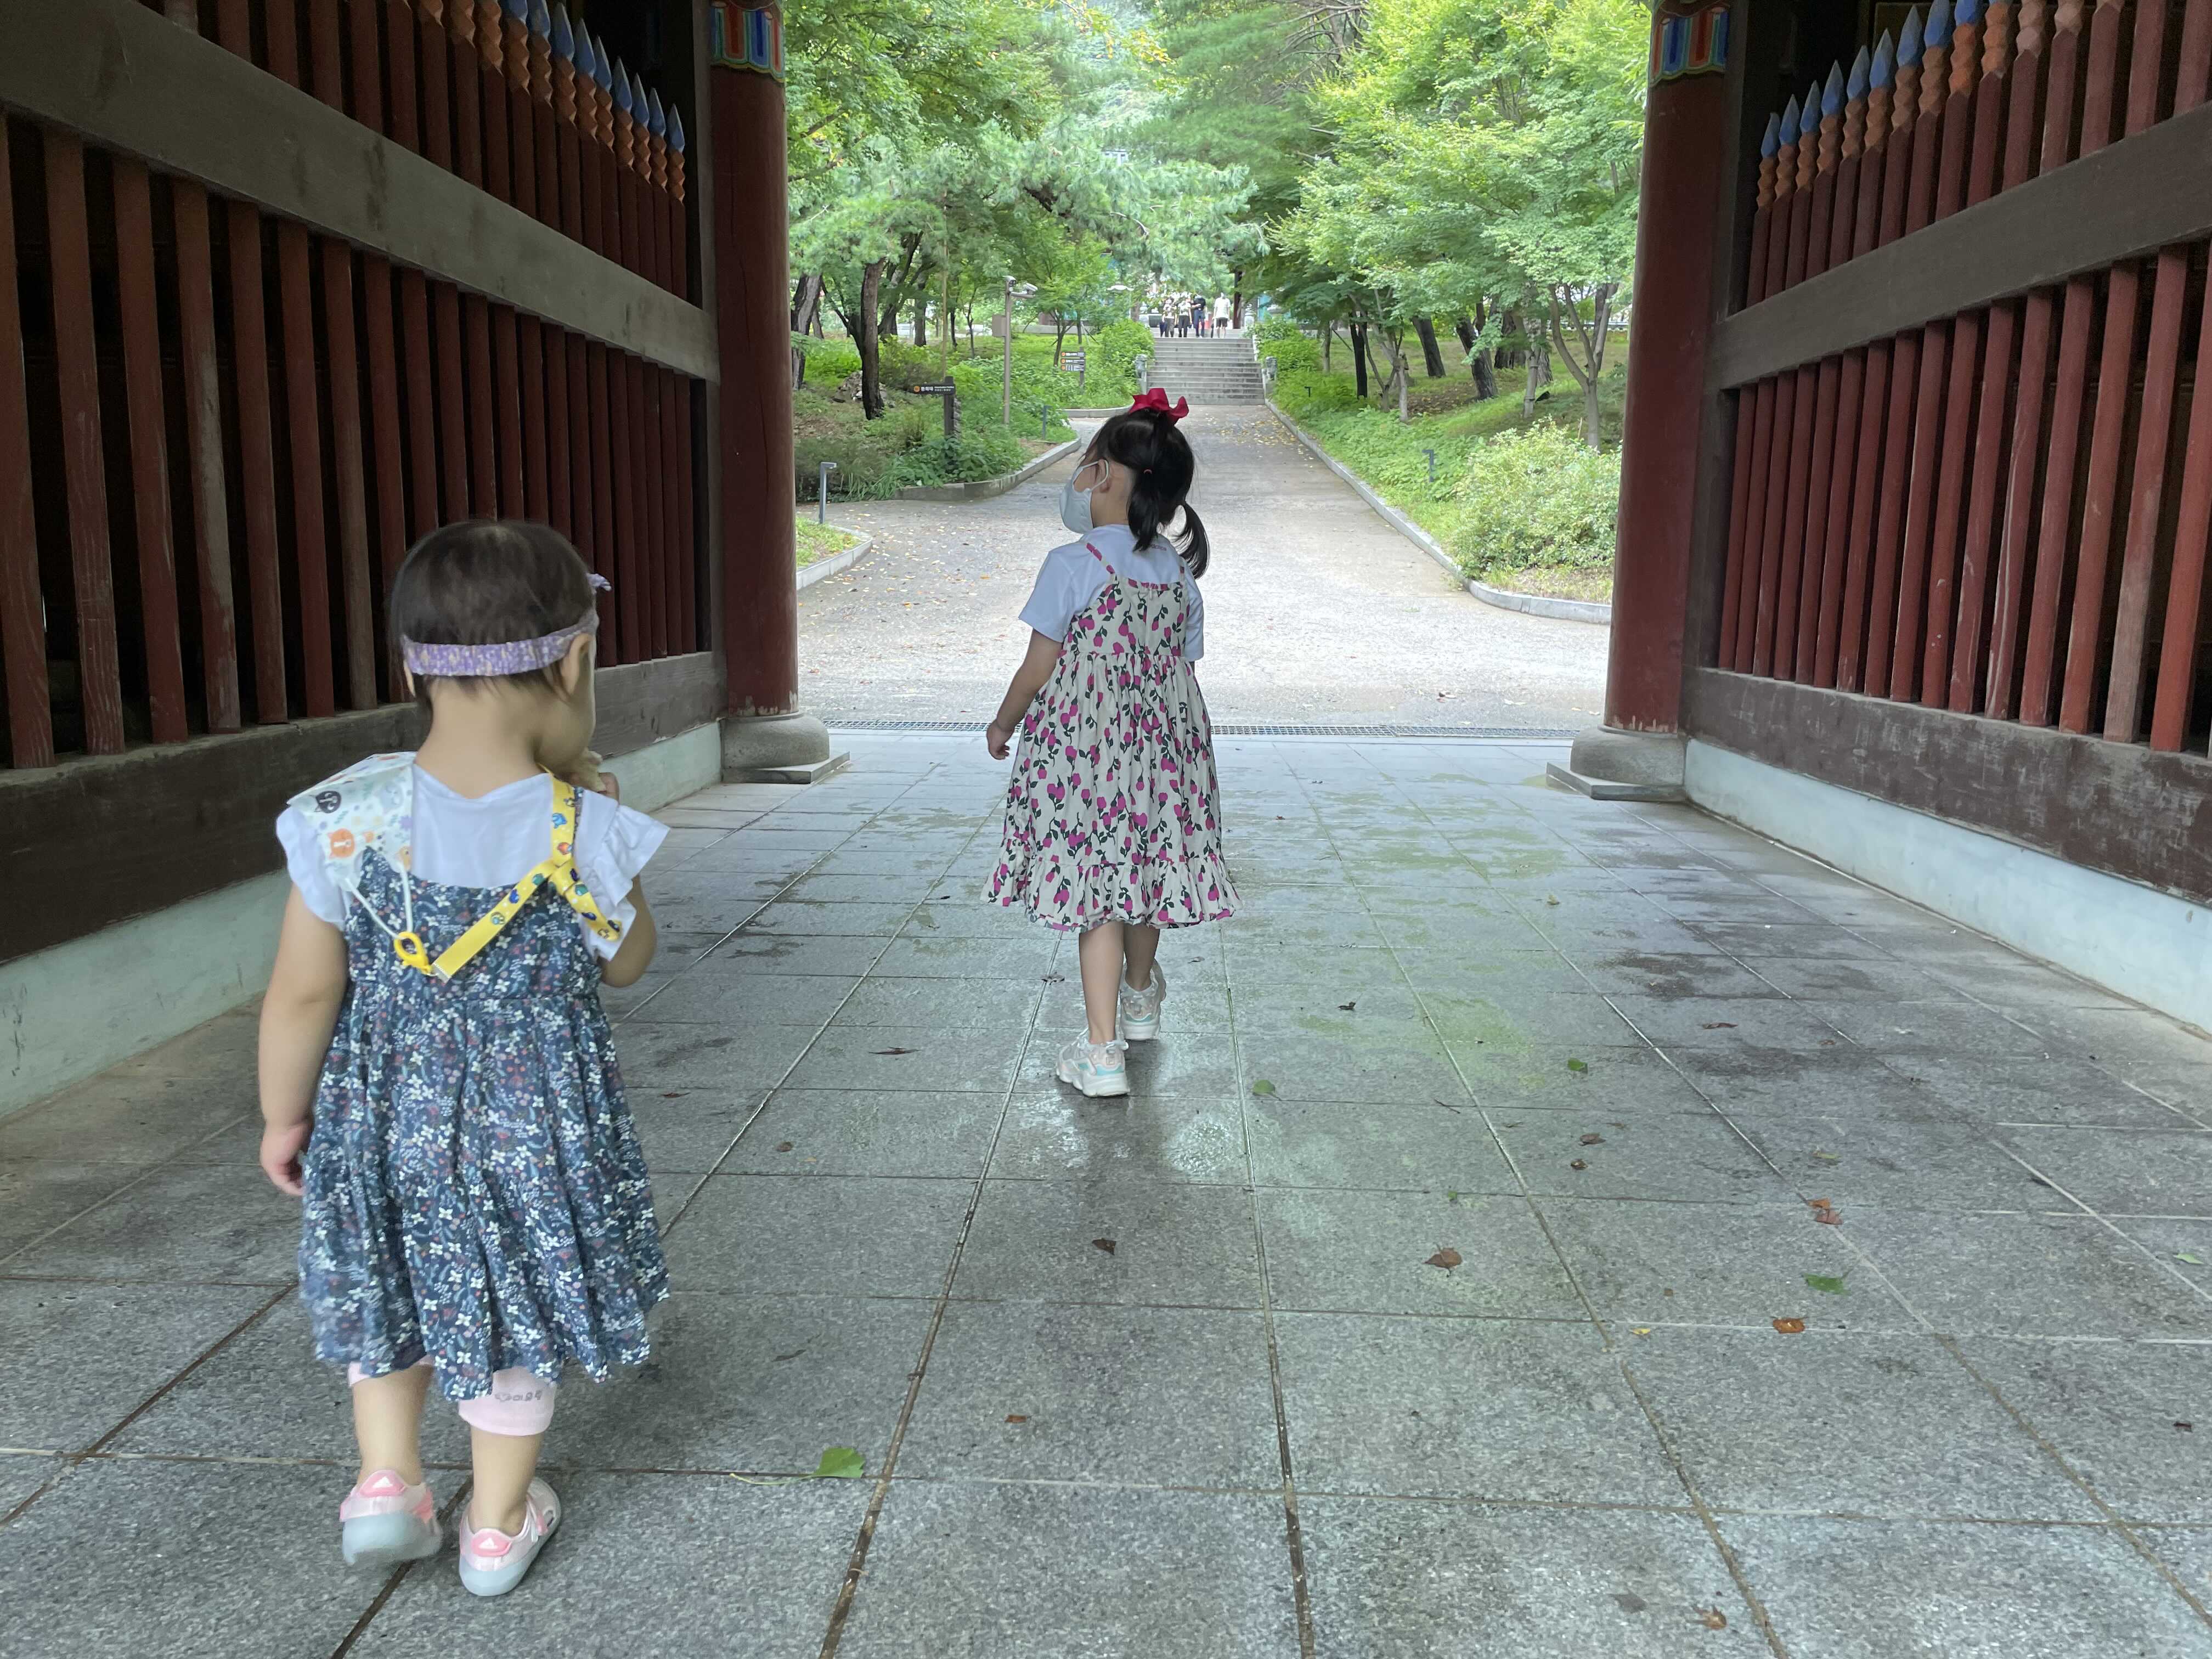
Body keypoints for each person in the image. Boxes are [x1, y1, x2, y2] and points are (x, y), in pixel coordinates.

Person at [257, 521, 669, 1598]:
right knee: (514, 1305)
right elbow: (629, 962)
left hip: (382, 1117)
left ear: (411, 669)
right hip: (532, 1129)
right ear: (573, 664)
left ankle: (388, 1484)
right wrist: (600, 821)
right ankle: (495, 1526)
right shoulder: (582, 825)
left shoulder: (341, 818)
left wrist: (285, 1116)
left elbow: (303, 991)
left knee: (392, 1279)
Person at [985, 390, 1239, 1097]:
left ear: (1101, 476)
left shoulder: (1073, 564)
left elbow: (1038, 667)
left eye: (1087, 461)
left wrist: (1004, 724)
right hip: (1164, 755)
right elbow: (1183, 668)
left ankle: (1102, 1056)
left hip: (1084, 756)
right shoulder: (1179, 574)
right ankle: (1140, 998)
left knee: (1095, 887)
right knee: (1146, 872)